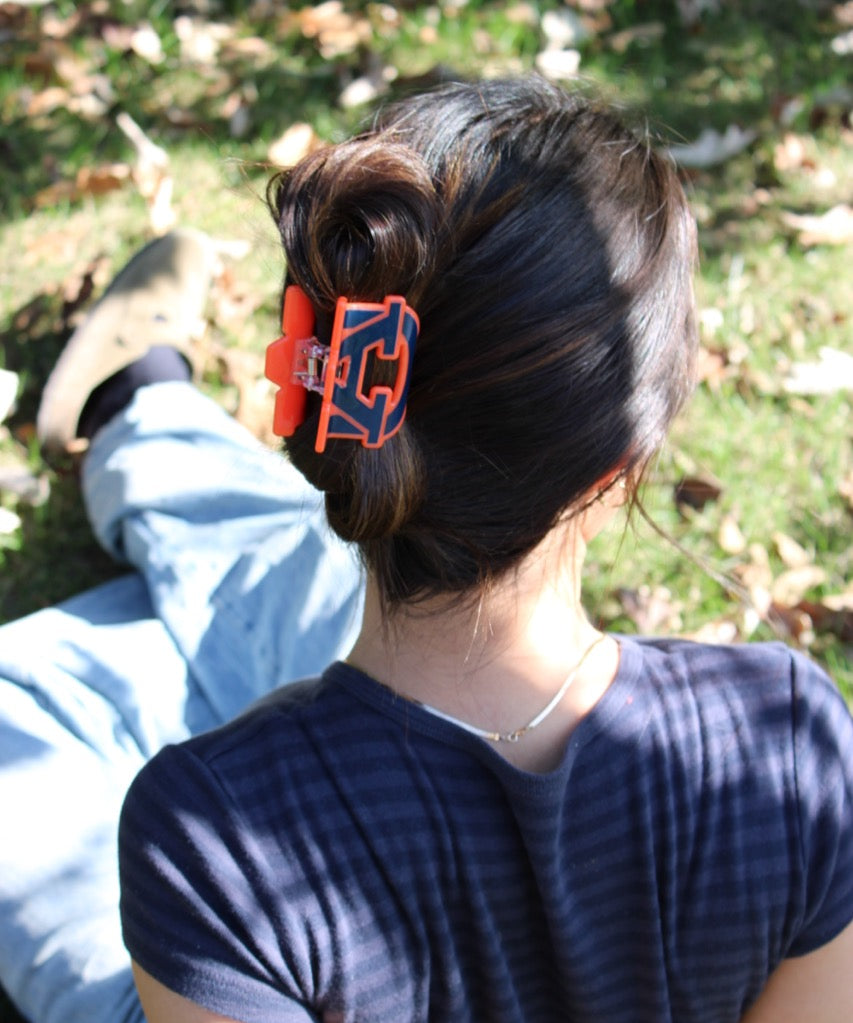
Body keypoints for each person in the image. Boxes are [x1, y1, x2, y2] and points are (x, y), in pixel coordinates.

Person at [1, 76, 851, 1023]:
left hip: (224, 978)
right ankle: (141, 404)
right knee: (285, 571)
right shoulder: (788, 739)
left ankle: (141, 406)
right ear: (613, 474)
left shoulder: (207, 843)